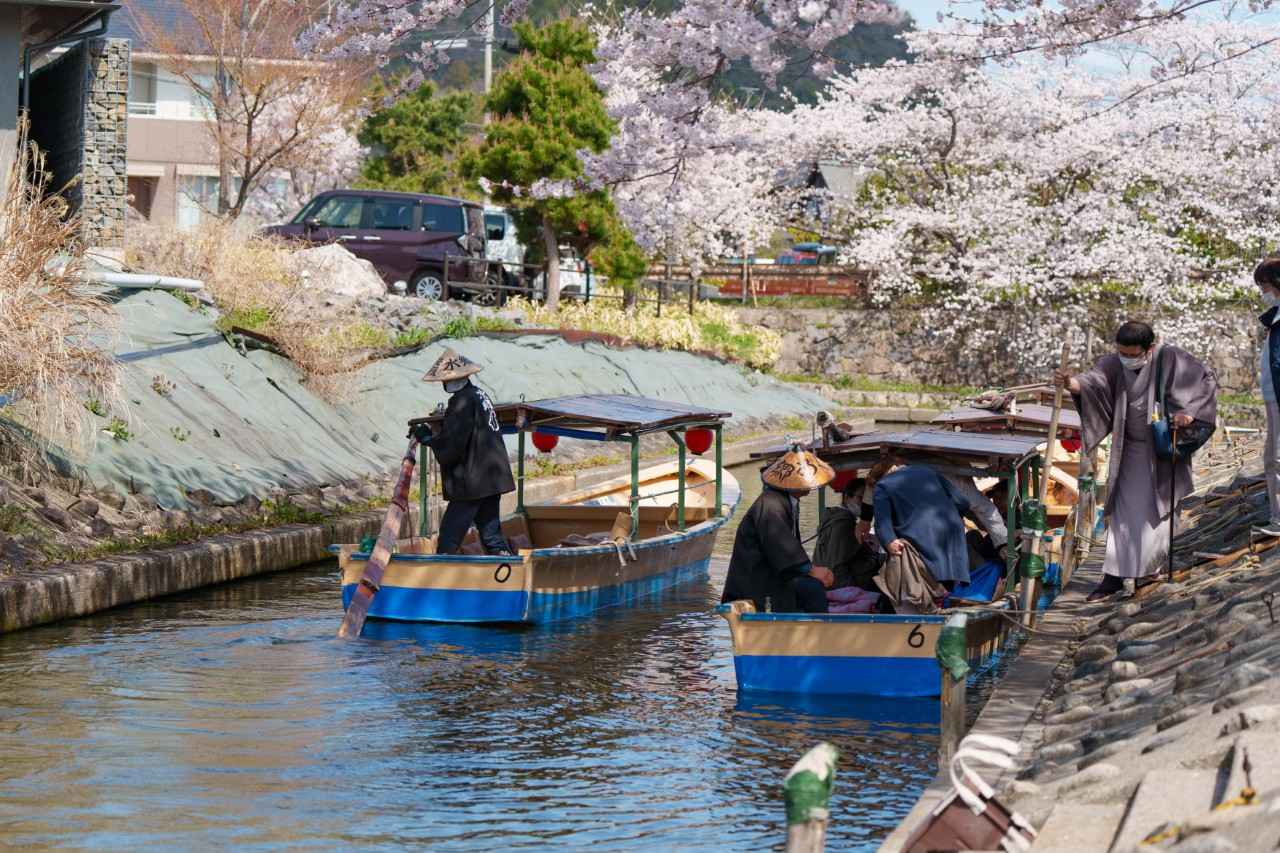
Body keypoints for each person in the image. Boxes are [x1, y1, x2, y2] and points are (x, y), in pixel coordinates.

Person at [1055, 321, 1218, 601]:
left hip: (1161, 449)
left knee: (1156, 517)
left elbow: (1205, 380)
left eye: (1133, 354)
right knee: (1122, 514)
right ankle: (1114, 575)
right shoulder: (1113, 364)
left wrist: (1189, 412)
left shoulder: (1170, 358)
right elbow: (1094, 382)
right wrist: (1070, 383)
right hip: (1128, 450)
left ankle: (1149, 573)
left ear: (1149, 348)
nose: (1127, 359)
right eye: (1122, 353)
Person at [419, 348, 516, 555]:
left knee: (449, 534)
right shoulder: (480, 394)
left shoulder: (461, 400)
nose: (444, 384)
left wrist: (428, 439)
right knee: (491, 535)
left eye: (446, 380)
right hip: (491, 477)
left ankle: (440, 569)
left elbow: (453, 443)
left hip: (473, 480)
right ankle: (506, 563)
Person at [721, 445, 835, 613]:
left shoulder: (783, 502)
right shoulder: (771, 505)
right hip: (756, 584)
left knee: (813, 587)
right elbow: (781, 545)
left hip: (772, 576)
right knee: (813, 589)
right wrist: (811, 570)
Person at [872, 462, 974, 586]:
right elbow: (962, 502)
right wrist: (955, 516)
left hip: (920, 537)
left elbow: (882, 522)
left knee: (930, 585)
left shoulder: (882, 486)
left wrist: (889, 540)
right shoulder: (928, 470)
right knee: (951, 578)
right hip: (951, 528)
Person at [813, 477, 883, 591]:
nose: (865, 503)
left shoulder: (834, 518)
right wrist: (854, 592)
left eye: (869, 500)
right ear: (846, 497)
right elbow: (837, 567)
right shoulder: (843, 524)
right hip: (840, 587)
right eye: (860, 498)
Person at [1254, 257, 1280, 538]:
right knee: (1272, 458)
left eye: (1265, 286)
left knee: (1277, 458)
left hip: (1278, 396)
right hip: (1273, 395)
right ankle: (1276, 516)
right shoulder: (1274, 317)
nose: (1263, 292)